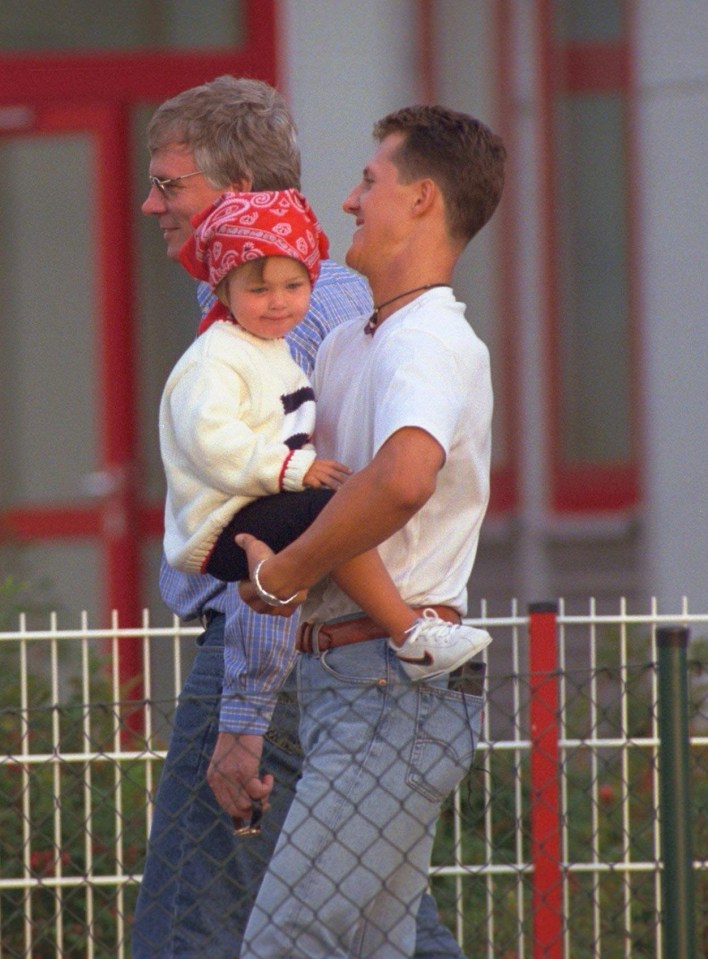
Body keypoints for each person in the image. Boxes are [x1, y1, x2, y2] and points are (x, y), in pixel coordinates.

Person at [133, 75, 471, 959]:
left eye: (171, 185)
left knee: (192, 923)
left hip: (277, 636)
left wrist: (245, 701)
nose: (150, 204)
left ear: (238, 187)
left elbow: (304, 516)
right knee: (381, 928)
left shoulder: (284, 317)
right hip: (323, 645)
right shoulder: (301, 302)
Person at [228, 104, 506, 958]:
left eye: (369, 180)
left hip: (395, 685)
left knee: (286, 940)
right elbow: (334, 492)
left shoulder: (426, 340)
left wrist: (284, 575)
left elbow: (401, 479)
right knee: (378, 947)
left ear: (421, 199)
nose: (348, 200)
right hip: (358, 680)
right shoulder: (353, 340)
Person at [163, 186, 491, 676]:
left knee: (330, 509)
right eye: (258, 290)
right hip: (223, 524)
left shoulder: (269, 350)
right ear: (222, 290)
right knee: (332, 510)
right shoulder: (215, 358)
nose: (278, 303)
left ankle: (395, 625)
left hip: (252, 509)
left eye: (294, 287)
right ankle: (407, 630)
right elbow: (212, 444)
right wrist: (298, 469)